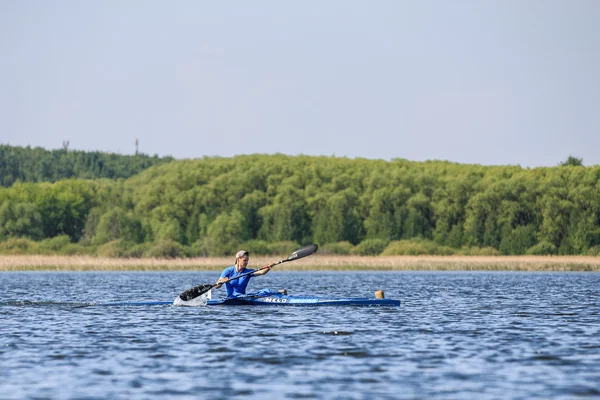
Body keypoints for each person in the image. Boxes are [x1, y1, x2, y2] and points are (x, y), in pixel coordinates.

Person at [214, 250, 287, 298]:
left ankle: (278, 293)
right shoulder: (228, 271)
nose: (246, 262)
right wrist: (223, 281)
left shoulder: (248, 272)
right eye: (244, 260)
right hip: (231, 297)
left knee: (265, 291)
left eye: (247, 260)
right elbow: (217, 286)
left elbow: (262, 272)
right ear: (238, 259)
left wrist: (270, 266)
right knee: (253, 295)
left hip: (243, 297)